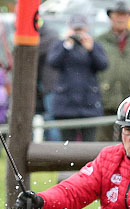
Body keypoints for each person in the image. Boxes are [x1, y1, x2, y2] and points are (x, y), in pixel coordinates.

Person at [46, 13, 107, 142]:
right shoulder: (61, 45)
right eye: (75, 30)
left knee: (88, 146)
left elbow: (103, 65)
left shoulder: (94, 46)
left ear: (86, 29)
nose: (78, 33)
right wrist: (67, 45)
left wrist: (91, 50)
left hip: (89, 104)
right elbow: (52, 62)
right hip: (66, 105)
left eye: (80, 30)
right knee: (68, 145)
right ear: (69, 28)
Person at [96, 1, 130, 141]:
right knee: (103, 142)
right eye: (117, 15)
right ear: (111, 16)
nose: (121, 18)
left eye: (124, 15)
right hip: (105, 99)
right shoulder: (100, 41)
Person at [37, 22, 61, 142]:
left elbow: (36, 50)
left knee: (52, 119)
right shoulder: (49, 35)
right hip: (44, 85)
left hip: (51, 85)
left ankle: (54, 147)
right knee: (48, 118)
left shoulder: (51, 35)